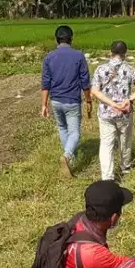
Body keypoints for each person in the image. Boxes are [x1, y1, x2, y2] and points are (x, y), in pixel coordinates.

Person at [91, 40, 135, 181]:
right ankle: (125, 166)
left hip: (106, 112)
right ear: (125, 54)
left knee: (106, 143)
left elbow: (95, 91)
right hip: (124, 111)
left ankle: (107, 176)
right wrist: (129, 99)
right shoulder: (130, 69)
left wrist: (111, 103)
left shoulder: (100, 69)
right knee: (125, 139)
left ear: (110, 53)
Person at [41, 25, 93, 177]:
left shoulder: (49, 57)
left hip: (55, 100)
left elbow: (46, 83)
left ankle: (69, 157)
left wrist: (44, 105)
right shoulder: (78, 56)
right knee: (75, 132)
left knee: (62, 128)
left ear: (56, 39)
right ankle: (67, 156)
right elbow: (85, 80)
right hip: (72, 101)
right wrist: (88, 100)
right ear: (71, 39)